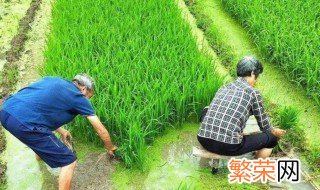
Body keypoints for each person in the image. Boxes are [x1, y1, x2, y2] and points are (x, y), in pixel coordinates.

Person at [0, 74, 117, 190]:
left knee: (39, 138)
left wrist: (61, 131)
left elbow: (39, 107)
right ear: (83, 89)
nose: (87, 100)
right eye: (88, 97)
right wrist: (110, 147)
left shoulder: (53, 80)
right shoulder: (78, 96)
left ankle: (40, 164)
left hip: (6, 111)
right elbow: (100, 129)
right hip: (25, 123)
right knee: (69, 162)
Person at [197, 56, 286, 158]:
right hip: (228, 145)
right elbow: (265, 126)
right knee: (271, 139)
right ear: (253, 73)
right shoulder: (253, 92)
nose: (256, 80)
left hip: (203, 139)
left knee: (207, 109)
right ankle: (255, 169)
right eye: (256, 76)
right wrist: (274, 132)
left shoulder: (224, 87)